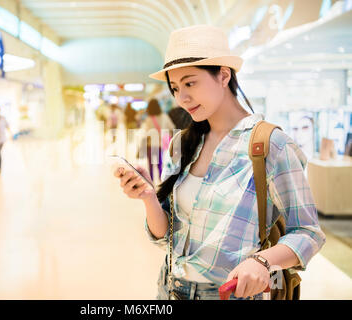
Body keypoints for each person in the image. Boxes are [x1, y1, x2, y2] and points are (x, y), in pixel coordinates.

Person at [113, 24, 325, 300]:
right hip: (169, 289)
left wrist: (262, 261)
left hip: (230, 294)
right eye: (175, 88)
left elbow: (308, 232)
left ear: (223, 76)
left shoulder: (270, 145)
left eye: (190, 83)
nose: (182, 98)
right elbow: (166, 236)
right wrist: (149, 197)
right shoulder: (182, 144)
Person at [139, 99, 175, 182]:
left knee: (150, 165)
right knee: (160, 163)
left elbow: (145, 133)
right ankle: (161, 180)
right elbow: (172, 127)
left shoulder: (148, 119)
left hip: (150, 144)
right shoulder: (164, 116)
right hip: (159, 144)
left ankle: (150, 181)